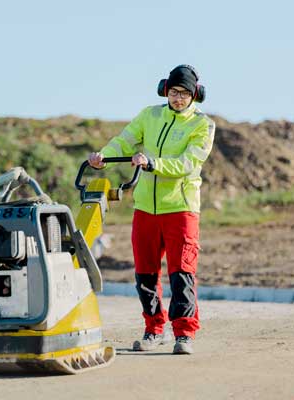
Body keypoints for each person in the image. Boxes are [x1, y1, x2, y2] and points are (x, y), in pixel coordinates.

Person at [88, 65, 215, 355]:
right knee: (145, 273)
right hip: (145, 208)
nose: (178, 98)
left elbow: (188, 164)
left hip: (181, 209)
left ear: (195, 94)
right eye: (173, 92)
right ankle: (153, 330)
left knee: (181, 272)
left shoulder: (203, 125)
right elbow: (125, 139)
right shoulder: (150, 115)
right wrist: (103, 156)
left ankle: (184, 334)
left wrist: (153, 163)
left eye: (184, 93)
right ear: (164, 90)